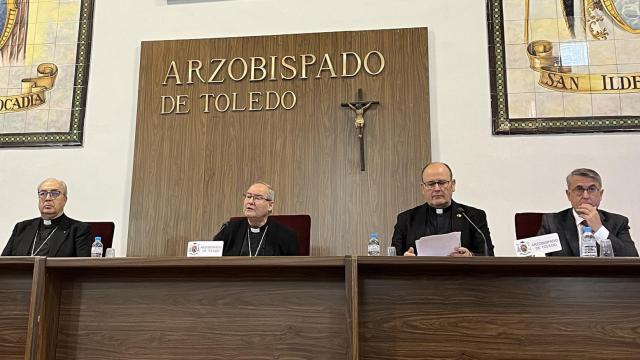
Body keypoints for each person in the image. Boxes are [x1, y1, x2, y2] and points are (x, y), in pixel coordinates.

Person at [391, 162, 494, 256]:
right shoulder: (406, 219)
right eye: (431, 184)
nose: (437, 189)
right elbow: (393, 257)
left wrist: (470, 256)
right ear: (422, 188)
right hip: (420, 275)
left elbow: (488, 255)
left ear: (453, 185)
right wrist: (405, 260)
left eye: (442, 183)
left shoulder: (473, 217)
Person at [537, 168, 638, 257]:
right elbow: (537, 256)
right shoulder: (552, 222)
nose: (585, 196)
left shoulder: (618, 222)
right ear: (568, 195)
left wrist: (599, 229)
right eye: (579, 189)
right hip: (566, 278)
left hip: (604, 278)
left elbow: (632, 258)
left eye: (591, 189)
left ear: (601, 194)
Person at [2, 178, 92, 257]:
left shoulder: (78, 230)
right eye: (43, 193)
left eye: (54, 193)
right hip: (21, 276)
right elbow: (4, 263)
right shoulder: (21, 228)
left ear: (65, 200)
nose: (47, 198)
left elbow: (82, 268)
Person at [213, 182, 298, 256]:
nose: (250, 201)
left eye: (258, 198)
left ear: (270, 206)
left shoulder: (286, 236)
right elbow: (212, 258)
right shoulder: (229, 229)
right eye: (248, 196)